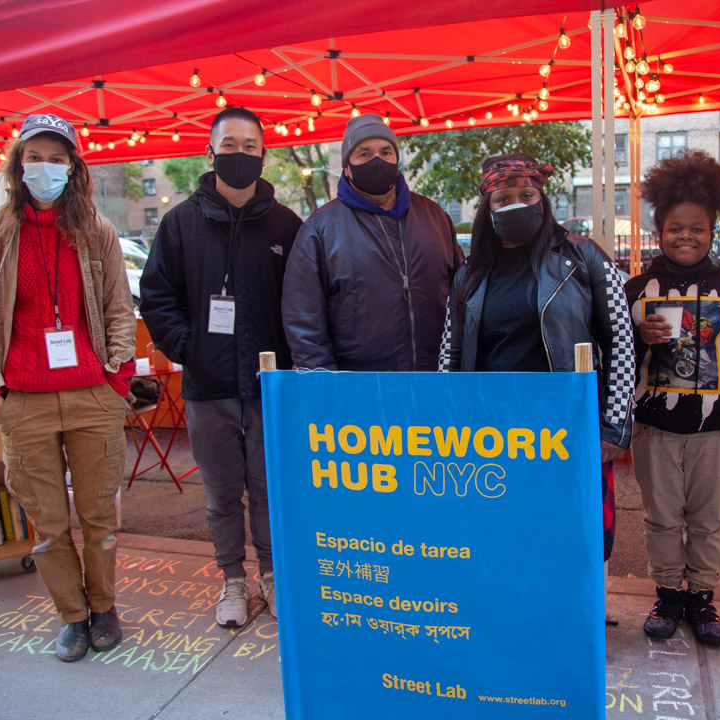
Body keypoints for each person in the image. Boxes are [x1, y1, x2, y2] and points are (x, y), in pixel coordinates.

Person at [0, 113, 136, 662]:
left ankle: (104, 606)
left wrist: (116, 378)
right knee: (47, 523)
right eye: (34, 157)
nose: (45, 167)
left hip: (93, 394)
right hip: (24, 397)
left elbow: (118, 309)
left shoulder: (96, 229)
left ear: (74, 166)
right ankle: (72, 615)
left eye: (57, 158)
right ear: (19, 164)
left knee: (98, 517)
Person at [439, 152, 636, 585]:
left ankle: (578, 615)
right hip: (491, 432)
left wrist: (613, 426)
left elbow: (620, 340)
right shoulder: (469, 274)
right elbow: (449, 356)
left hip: (566, 427)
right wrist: (448, 421)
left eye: (526, 194)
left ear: (543, 199)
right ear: (486, 208)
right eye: (502, 198)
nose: (515, 205)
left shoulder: (583, 258)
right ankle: (511, 613)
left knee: (575, 527)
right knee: (502, 530)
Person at [140, 106, 301, 628]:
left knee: (269, 490)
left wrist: (292, 363)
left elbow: (305, 301)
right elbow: (157, 297)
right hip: (209, 387)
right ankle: (233, 579)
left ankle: (273, 577)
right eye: (228, 145)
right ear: (210, 153)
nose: (239, 154)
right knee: (222, 495)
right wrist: (191, 347)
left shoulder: (286, 225)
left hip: (269, 388)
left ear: (263, 154)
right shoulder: (180, 223)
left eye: (249, 146)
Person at [624, 149, 720, 647]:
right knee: (661, 518)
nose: (685, 237)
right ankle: (668, 593)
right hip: (655, 431)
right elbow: (610, 357)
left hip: (719, 433)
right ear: (658, 231)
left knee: (710, 521)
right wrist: (635, 336)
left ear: (713, 231)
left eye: (697, 229)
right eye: (675, 228)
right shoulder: (635, 290)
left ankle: (703, 599)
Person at [282, 113, 462, 371]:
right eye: (364, 153)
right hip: (358, 386)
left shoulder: (435, 218)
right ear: (347, 166)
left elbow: (461, 294)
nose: (378, 159)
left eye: (386, 152)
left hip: (434, 378)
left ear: (397, 160)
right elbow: (303, 320)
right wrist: (324, 385)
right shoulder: (319, 230)